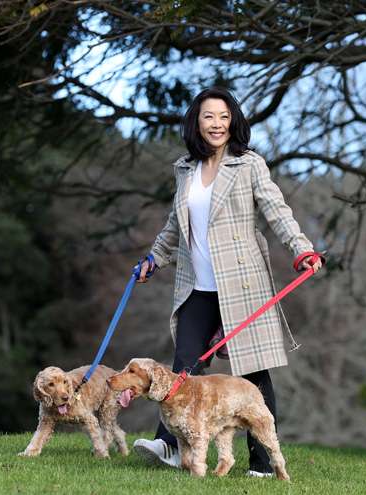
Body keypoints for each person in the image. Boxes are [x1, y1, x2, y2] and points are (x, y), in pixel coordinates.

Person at [133, 87, 322, 477]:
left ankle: (264, 464)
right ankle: (170, 444)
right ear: (196, 123)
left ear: (232, 121)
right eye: (208, 117)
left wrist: (301, 248)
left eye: (223, 116)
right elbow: (175, 225)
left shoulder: (249, 165)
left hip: (242, 285)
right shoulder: (185, 169)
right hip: (196, 286)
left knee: (253, 372)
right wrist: (155, 257)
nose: (217, 124)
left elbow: (277, 211)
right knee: (184, 365)